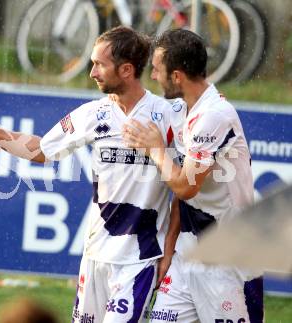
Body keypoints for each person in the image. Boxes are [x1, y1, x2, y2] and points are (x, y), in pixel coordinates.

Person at [0, 26, 179, 323]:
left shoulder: (168, 115)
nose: (92, 72)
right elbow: (41, 149)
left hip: (139, 259)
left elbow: (187, 185)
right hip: (95, 254)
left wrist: (169, 250)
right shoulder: (93, 114)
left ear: (126, 70)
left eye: (100, 64)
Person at [122, 29, 264, 322]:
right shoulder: (182, 110)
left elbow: (185, 186)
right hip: (188, 250)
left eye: (158, 71)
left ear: (177, 76)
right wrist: (169, 250)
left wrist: (156, 150)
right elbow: (182, 196)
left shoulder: (214, 116)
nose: (154, 77)